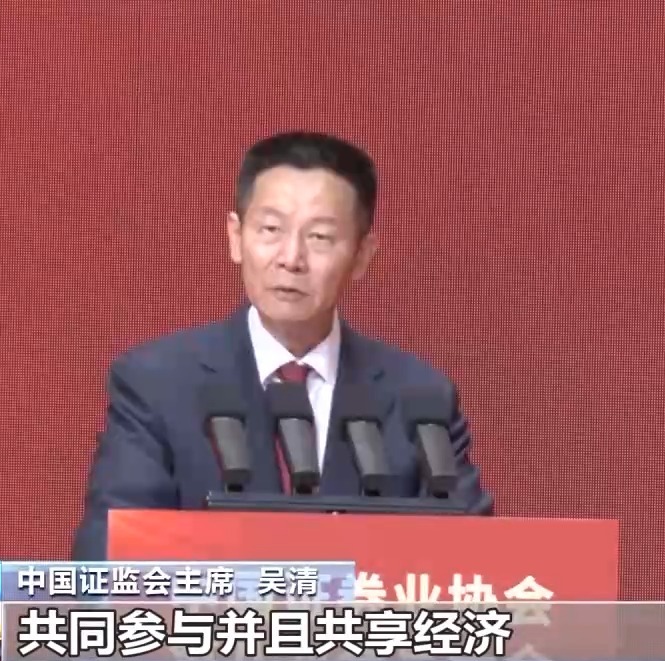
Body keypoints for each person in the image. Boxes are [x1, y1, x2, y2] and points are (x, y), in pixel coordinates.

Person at [71, 131, 493, 560]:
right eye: (271, 230)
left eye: (320, 237)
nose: (291, 258)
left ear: (363, 255)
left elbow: (477, 562)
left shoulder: (420, 399)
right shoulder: (158, 384)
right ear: (236, 236)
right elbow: (106, 555)